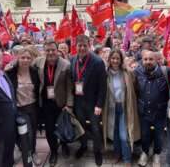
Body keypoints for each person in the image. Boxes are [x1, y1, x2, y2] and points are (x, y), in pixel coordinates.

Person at [33, 39, 73, 167]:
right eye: (48, 50)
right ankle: (54, 151)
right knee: (49, 130)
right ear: (44, 51)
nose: (50, 52)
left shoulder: (66, 65)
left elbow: (70, 87)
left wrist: (69, 104)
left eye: (53, 50)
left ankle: (65, 145)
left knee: (63, 126)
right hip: (45, 103)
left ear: (57, 51)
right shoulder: (38, 62)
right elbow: (24, 61)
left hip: (61, 103)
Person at [70, 35, 107, 166]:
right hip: (78, 102)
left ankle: (97, 151)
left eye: (85, 45)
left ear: (89, 45)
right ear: (76, 46)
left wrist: (99, 104)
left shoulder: (97, 62)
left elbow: (103, 86)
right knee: (81, 127)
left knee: (96, 129)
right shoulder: (72, 60)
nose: (82, 48)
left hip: (93, 103)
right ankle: (84, 145)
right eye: (79, 45)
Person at [134, 50, 170, 167]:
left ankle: (157, 154)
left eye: (151, 59)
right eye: (145, 59)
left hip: (160, 111)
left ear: (156, 60)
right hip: (144, 110)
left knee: (158, 135)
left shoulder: (167, 72)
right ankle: (145, 153)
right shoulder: (137, 72)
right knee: (145, 134)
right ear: (142, 60)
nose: (148, 62)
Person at [102, 49, 140, 167]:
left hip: (124, 106)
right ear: (109, 60)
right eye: (113, 58)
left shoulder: (127, 73)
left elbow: (135, 88)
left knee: (124, 134)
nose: (115, 61)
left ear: (121, 60)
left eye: (117, 58)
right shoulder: (105, 73)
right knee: (114, 134)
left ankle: (127, 158)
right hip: (111, 108)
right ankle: (117, 154)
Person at [5, 46, 41, 165]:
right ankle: (28, 153)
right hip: (19, 109)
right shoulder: (10, 72)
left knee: (33, 131)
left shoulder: (34, 72)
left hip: (33, 107)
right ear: (17, 58)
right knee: (27, 133)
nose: (25, 60)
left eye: (28, 58)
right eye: (23, 57)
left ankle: (32, 151)